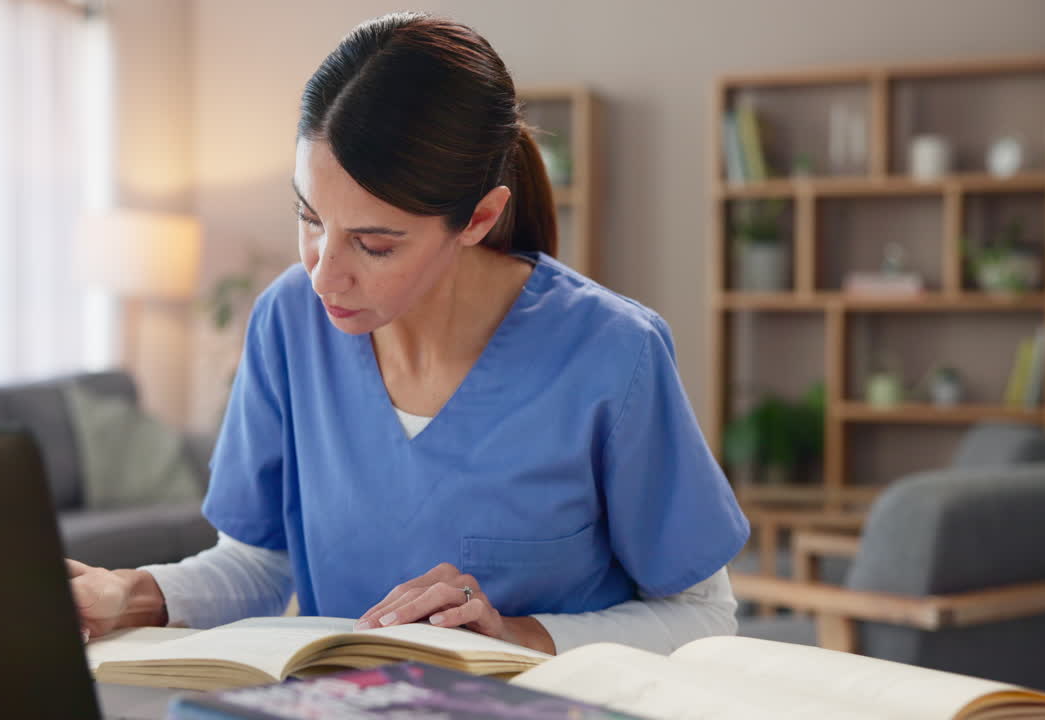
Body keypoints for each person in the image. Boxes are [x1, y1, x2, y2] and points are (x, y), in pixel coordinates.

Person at [69, 11, 749, 657]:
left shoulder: (612, 353)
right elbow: (260, 560)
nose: (324, 276)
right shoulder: (287, 323)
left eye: (374, 244)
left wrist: (517, 635)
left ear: (479, 218)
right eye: (310, 219)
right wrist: (131, 594)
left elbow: (705, 614)